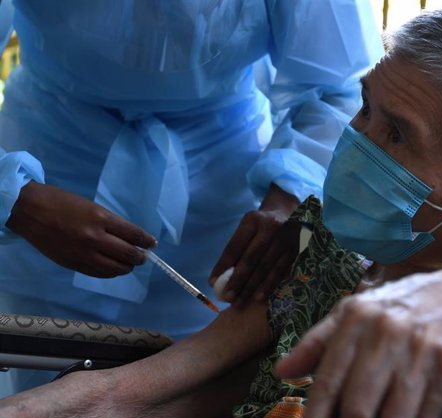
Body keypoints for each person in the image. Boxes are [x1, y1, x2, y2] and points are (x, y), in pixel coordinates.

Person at [1, 5, 442, 418]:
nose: (354, 144)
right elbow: (134, 397)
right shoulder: (320, 251)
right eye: (363, 111)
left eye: (395, 133)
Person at [0, 0, 383, 395]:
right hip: (50, 177)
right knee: (42, 383)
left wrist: (290, 196)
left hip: (222, 202)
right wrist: (17, 199)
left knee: (199, 391)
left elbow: (343, 86)